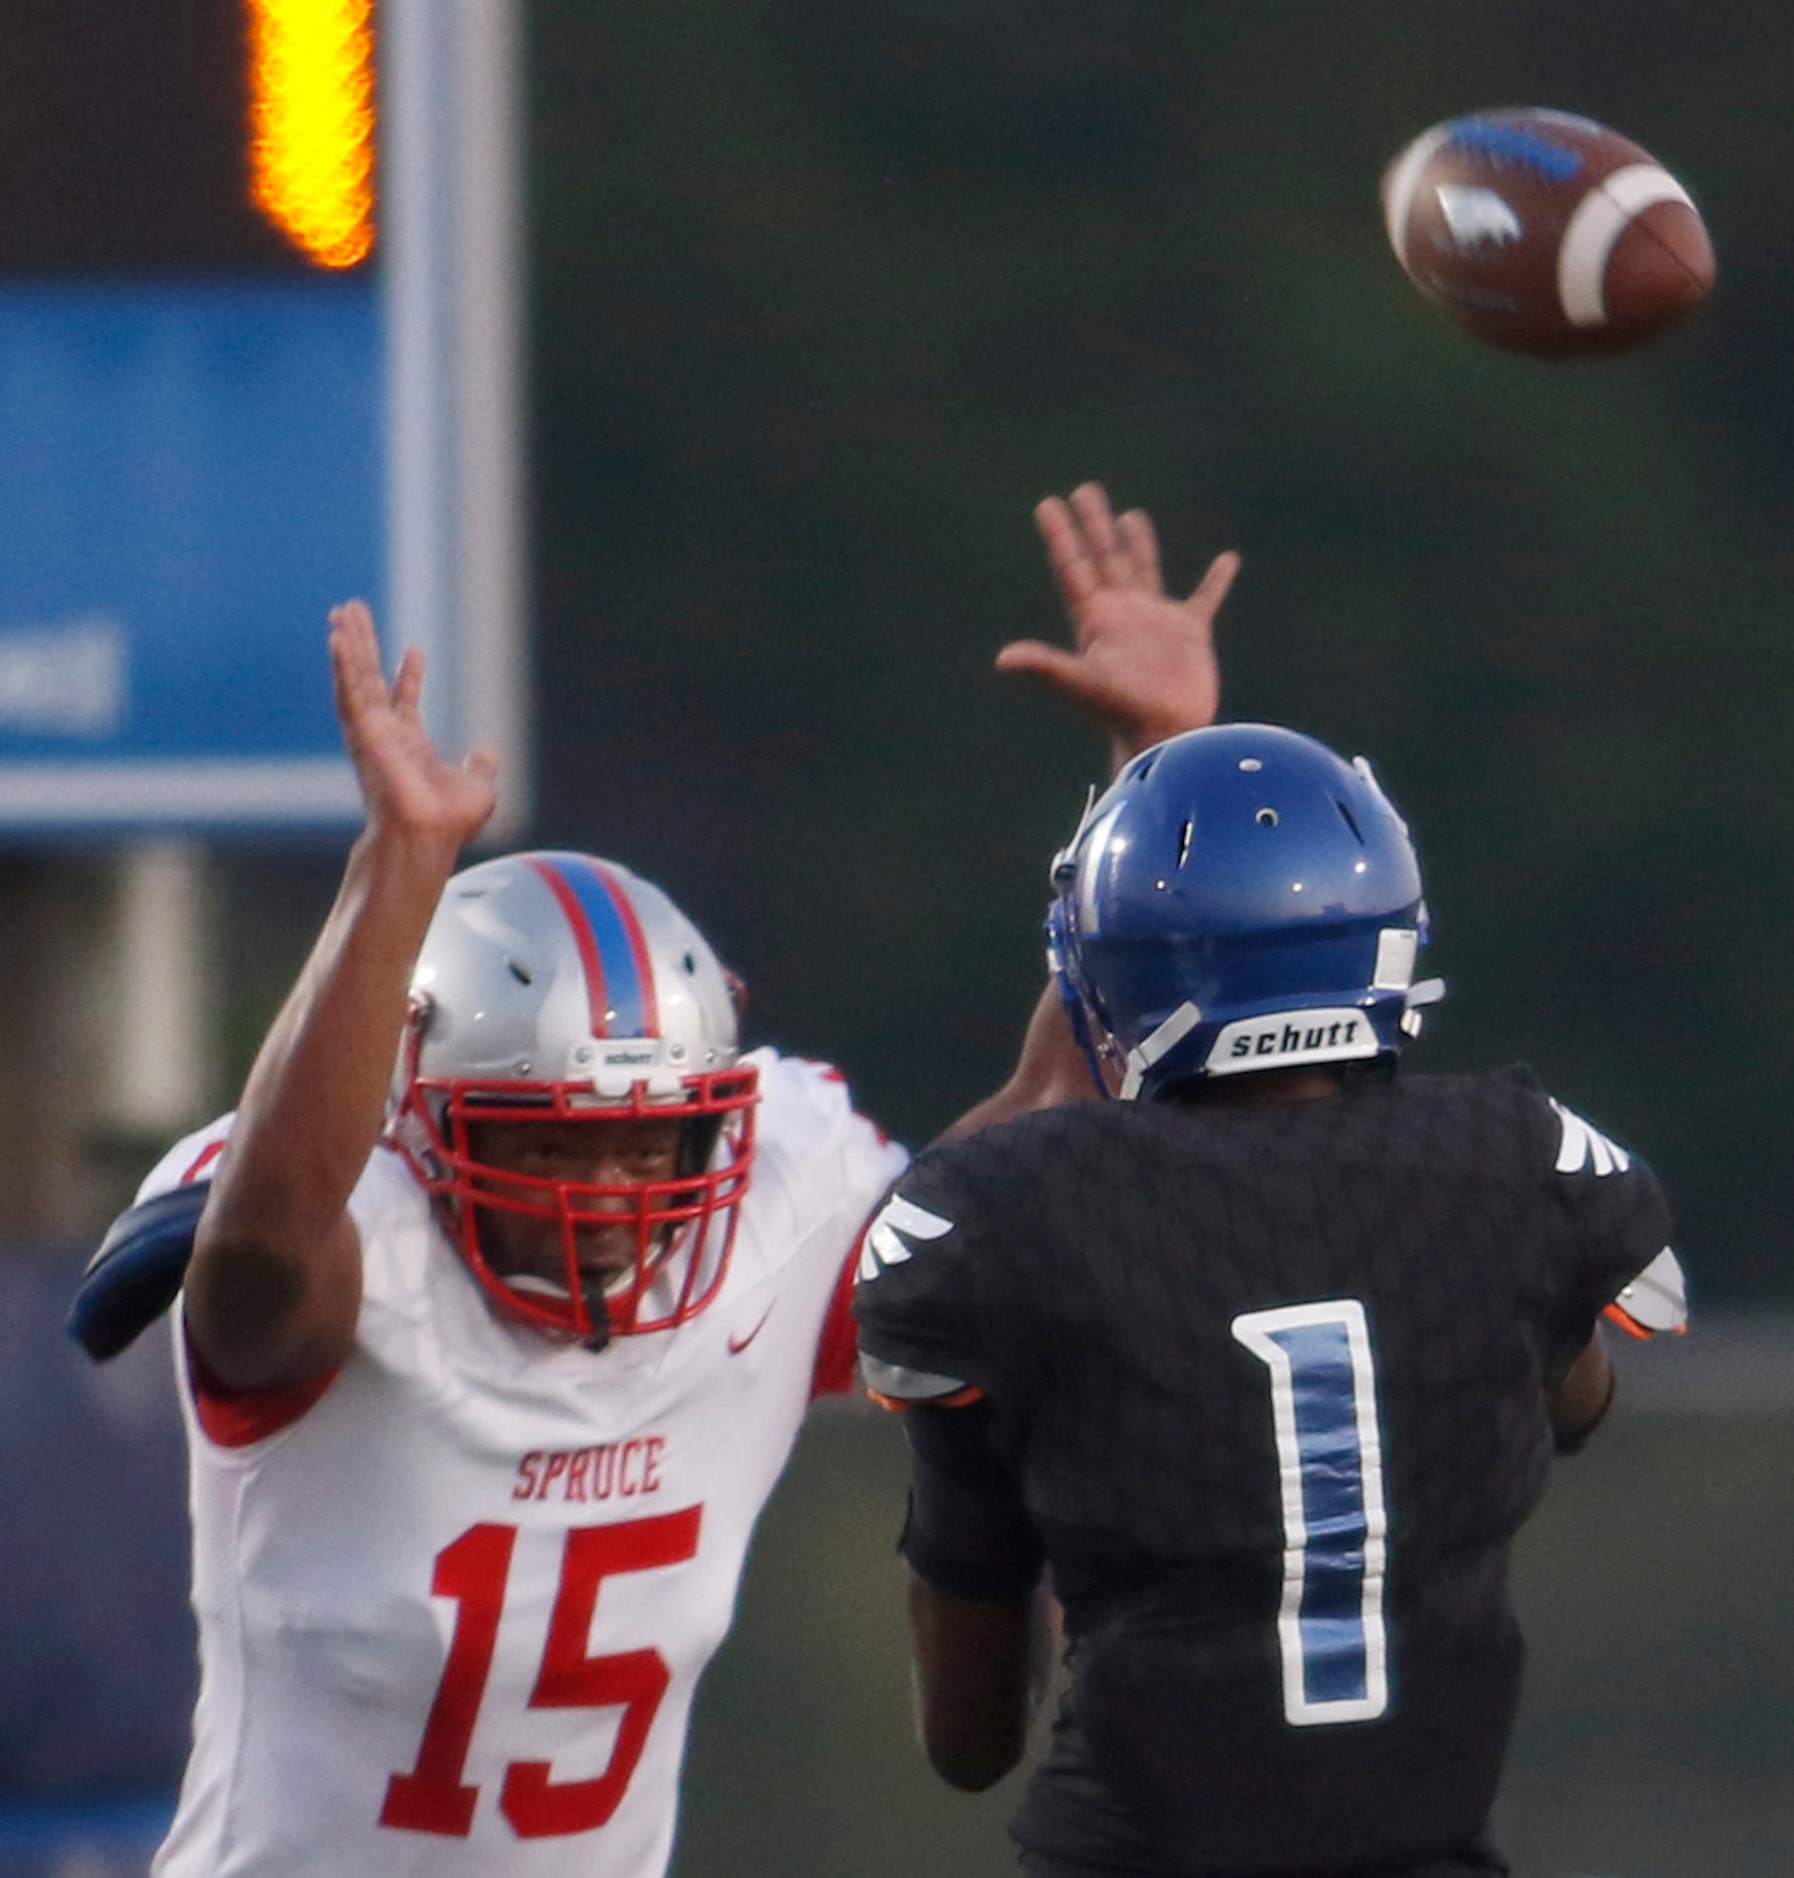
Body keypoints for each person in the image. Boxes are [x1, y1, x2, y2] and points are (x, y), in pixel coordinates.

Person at [78, 484, 1243, 1876]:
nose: (614, 1186)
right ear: (423, 1112)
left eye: (650, 1136)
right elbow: (266, 1244)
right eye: (551, 1139)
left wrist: (1160, 760)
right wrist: (397, 869)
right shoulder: (355, 1250)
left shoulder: (775, 1205)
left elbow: (1052, 1122)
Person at [854, 712, 1688, 1877]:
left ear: (1112, 973)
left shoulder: (1003, 1217)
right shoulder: (1519, 1161)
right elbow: (1580, 1404)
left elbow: (969, 1739)